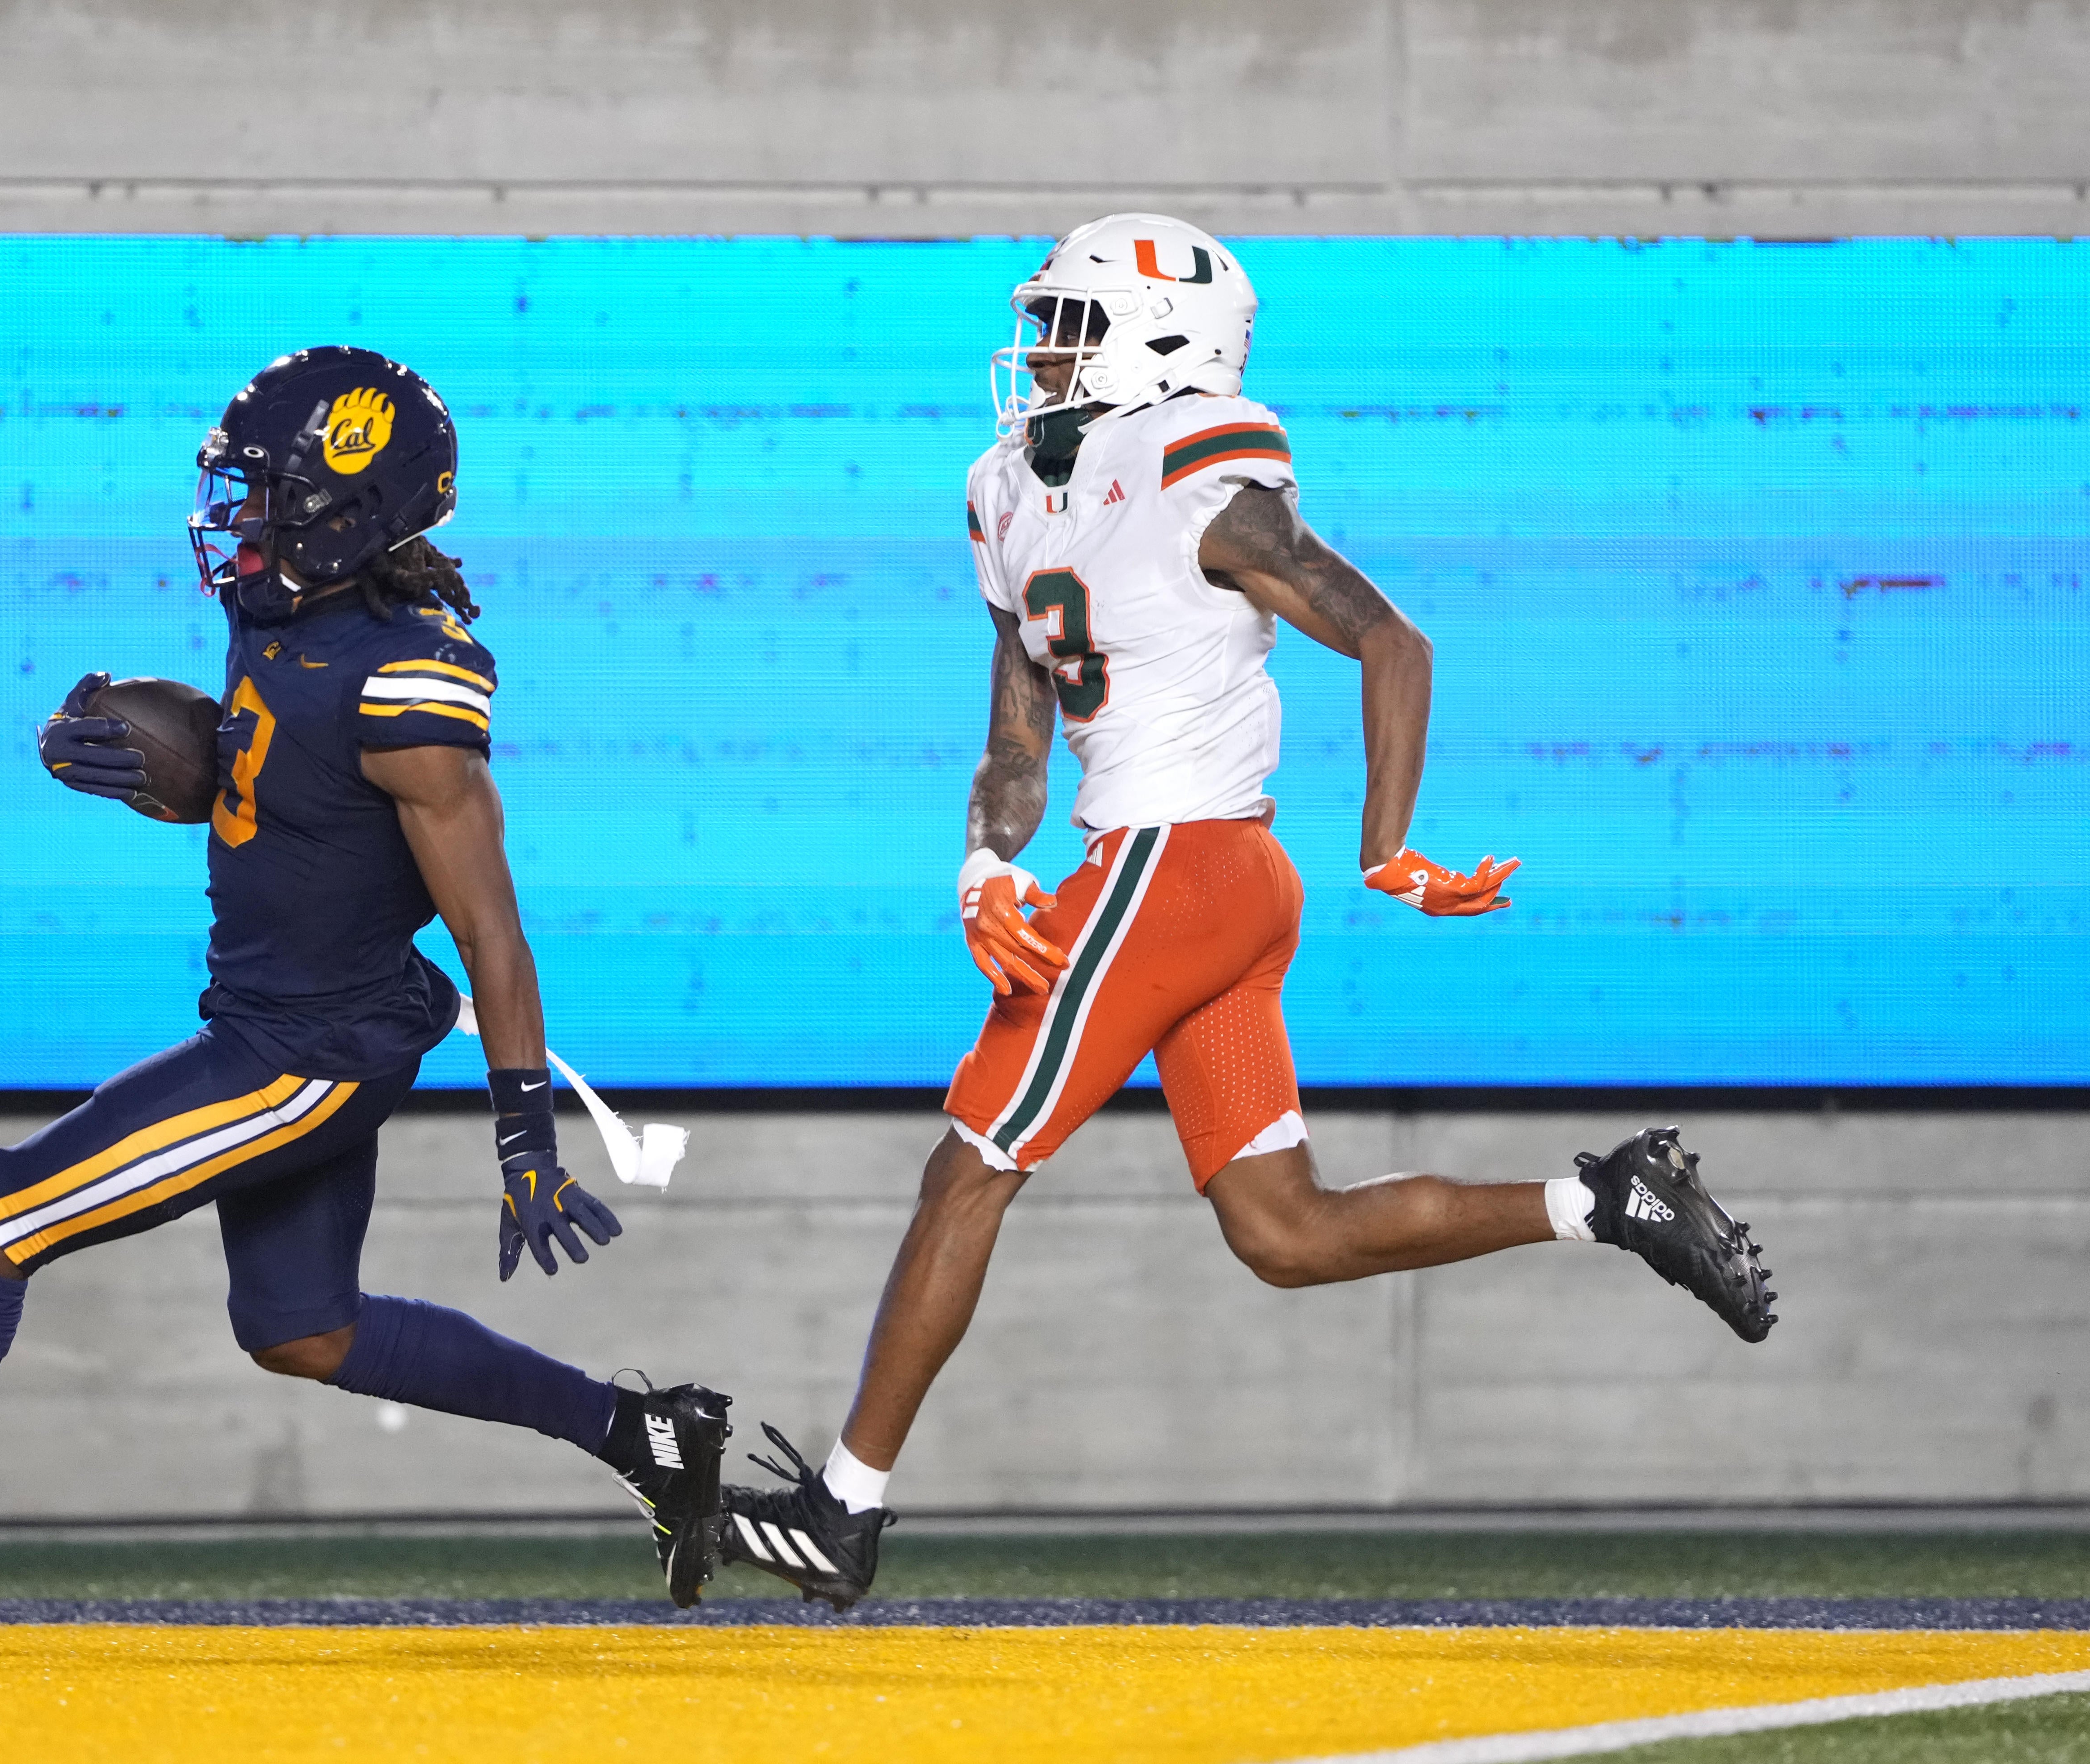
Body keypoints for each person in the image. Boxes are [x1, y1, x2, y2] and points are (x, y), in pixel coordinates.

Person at [714, 216, 1775, 1612]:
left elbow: (1392, 636)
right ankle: (1608, 1200)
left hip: (1177, 866)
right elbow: (1021, 740)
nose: (1039, 351)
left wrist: (1389, 848)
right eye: (1042, 323)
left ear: (1163, 347)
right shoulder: (1004, 487)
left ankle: (843, 1510)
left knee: (970, 1167)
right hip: (1195, 879)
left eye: (1070, 324)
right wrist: (982, 865)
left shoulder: (1197, 462)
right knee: (1285, 1233)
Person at [0, 347, 734, 1639]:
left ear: (355, 509)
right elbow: (295, 795)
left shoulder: (409, 683)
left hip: (299, 1056)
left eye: (275, 495)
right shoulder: (289, 616)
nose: (246, 521)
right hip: (301, 1026)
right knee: (302, 1329)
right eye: (245, 490)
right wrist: (166, 763)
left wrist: (524, 1130)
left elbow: (487, 923)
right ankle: (638, 1432)